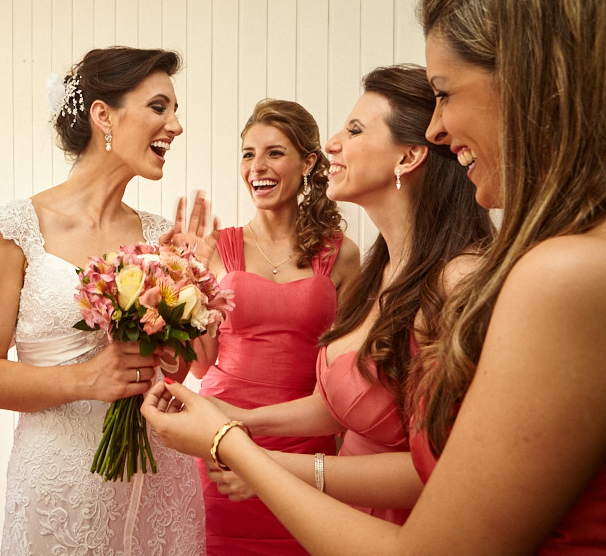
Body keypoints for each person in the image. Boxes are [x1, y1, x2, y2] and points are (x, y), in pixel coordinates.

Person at [142, 0, 606, 554]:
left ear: (533, 82)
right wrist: (237, 419)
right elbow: (338, 403)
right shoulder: (394, 266)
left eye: (444, 93)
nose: (441, 127)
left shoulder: (548, 274)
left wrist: (234, 447)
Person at [206, 65, 492, 528]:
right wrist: (232, 416)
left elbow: (444, 470)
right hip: (341, 520)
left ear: (408, 158)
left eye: (354, 130)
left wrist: (265, 466)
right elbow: (338, 403)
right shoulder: (385, 269)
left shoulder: (456, 281)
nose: (332, 143)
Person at [0, 47, 206, 555]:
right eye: (160, 107)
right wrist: (85, 379)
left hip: (158, 476)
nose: (176, 126)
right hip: (61, 484)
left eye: (175, 111)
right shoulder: (12, 231)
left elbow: (183, 370)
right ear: (103, 116)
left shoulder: (160, 237)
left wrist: (195, 290)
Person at [188, 98, 360, 554]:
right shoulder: (215, 248)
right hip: (221, 440)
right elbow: (201, 366)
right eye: (248, 153)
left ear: (308, 162)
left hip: (308, 445)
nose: (257, 167)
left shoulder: (342, 254)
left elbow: (348, 373)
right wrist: (182, 288)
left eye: (274, 152)